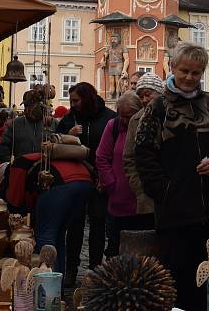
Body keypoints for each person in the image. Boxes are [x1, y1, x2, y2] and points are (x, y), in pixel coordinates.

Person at [135, 42, 209, 311]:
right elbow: (143, 155)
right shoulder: (158, 109)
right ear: (172, 68)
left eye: (196, 73)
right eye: (184, 70)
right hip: (176, 216)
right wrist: (166, 191)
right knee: (180, 285)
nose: (189, 77)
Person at [57, 82, 116, 286]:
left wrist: (106, 177)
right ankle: (71, 269)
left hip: (100, 179)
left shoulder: (109, 117)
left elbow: (113, 151)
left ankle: (95, 269)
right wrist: (68, 136)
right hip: (76, 178)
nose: (72, 104)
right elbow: (56, 143)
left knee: (98, 224)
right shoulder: (69, 119)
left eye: (76, 100)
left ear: (87, 98)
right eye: (71, 100)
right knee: (74, 225)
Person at [95, 92, 153, 257]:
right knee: (116, 246)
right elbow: (102, 157)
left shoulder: (147, 126)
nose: (126, 120)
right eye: (122, 116)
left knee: (143, 248)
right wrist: (111, 184)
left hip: (142, 201)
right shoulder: (113, 126)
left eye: (129, 116)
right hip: (118, 200)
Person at [122, 74, 165, 224]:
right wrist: (139, 188)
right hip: (146, 192)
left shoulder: (171, 115)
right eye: (141, 96)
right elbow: (129, 158)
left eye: (148, 94)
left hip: (174, 189)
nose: (145, 99)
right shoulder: (135, 120)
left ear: (160, 93)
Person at [0, 89, 46, 162]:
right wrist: (12, 164)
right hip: (21, 168)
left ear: (40, 105)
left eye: (32, 105)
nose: (28, 109)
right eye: (26, 106)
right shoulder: (16, 123)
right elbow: (3, 147)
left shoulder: (51, 123)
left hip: (44, 168)